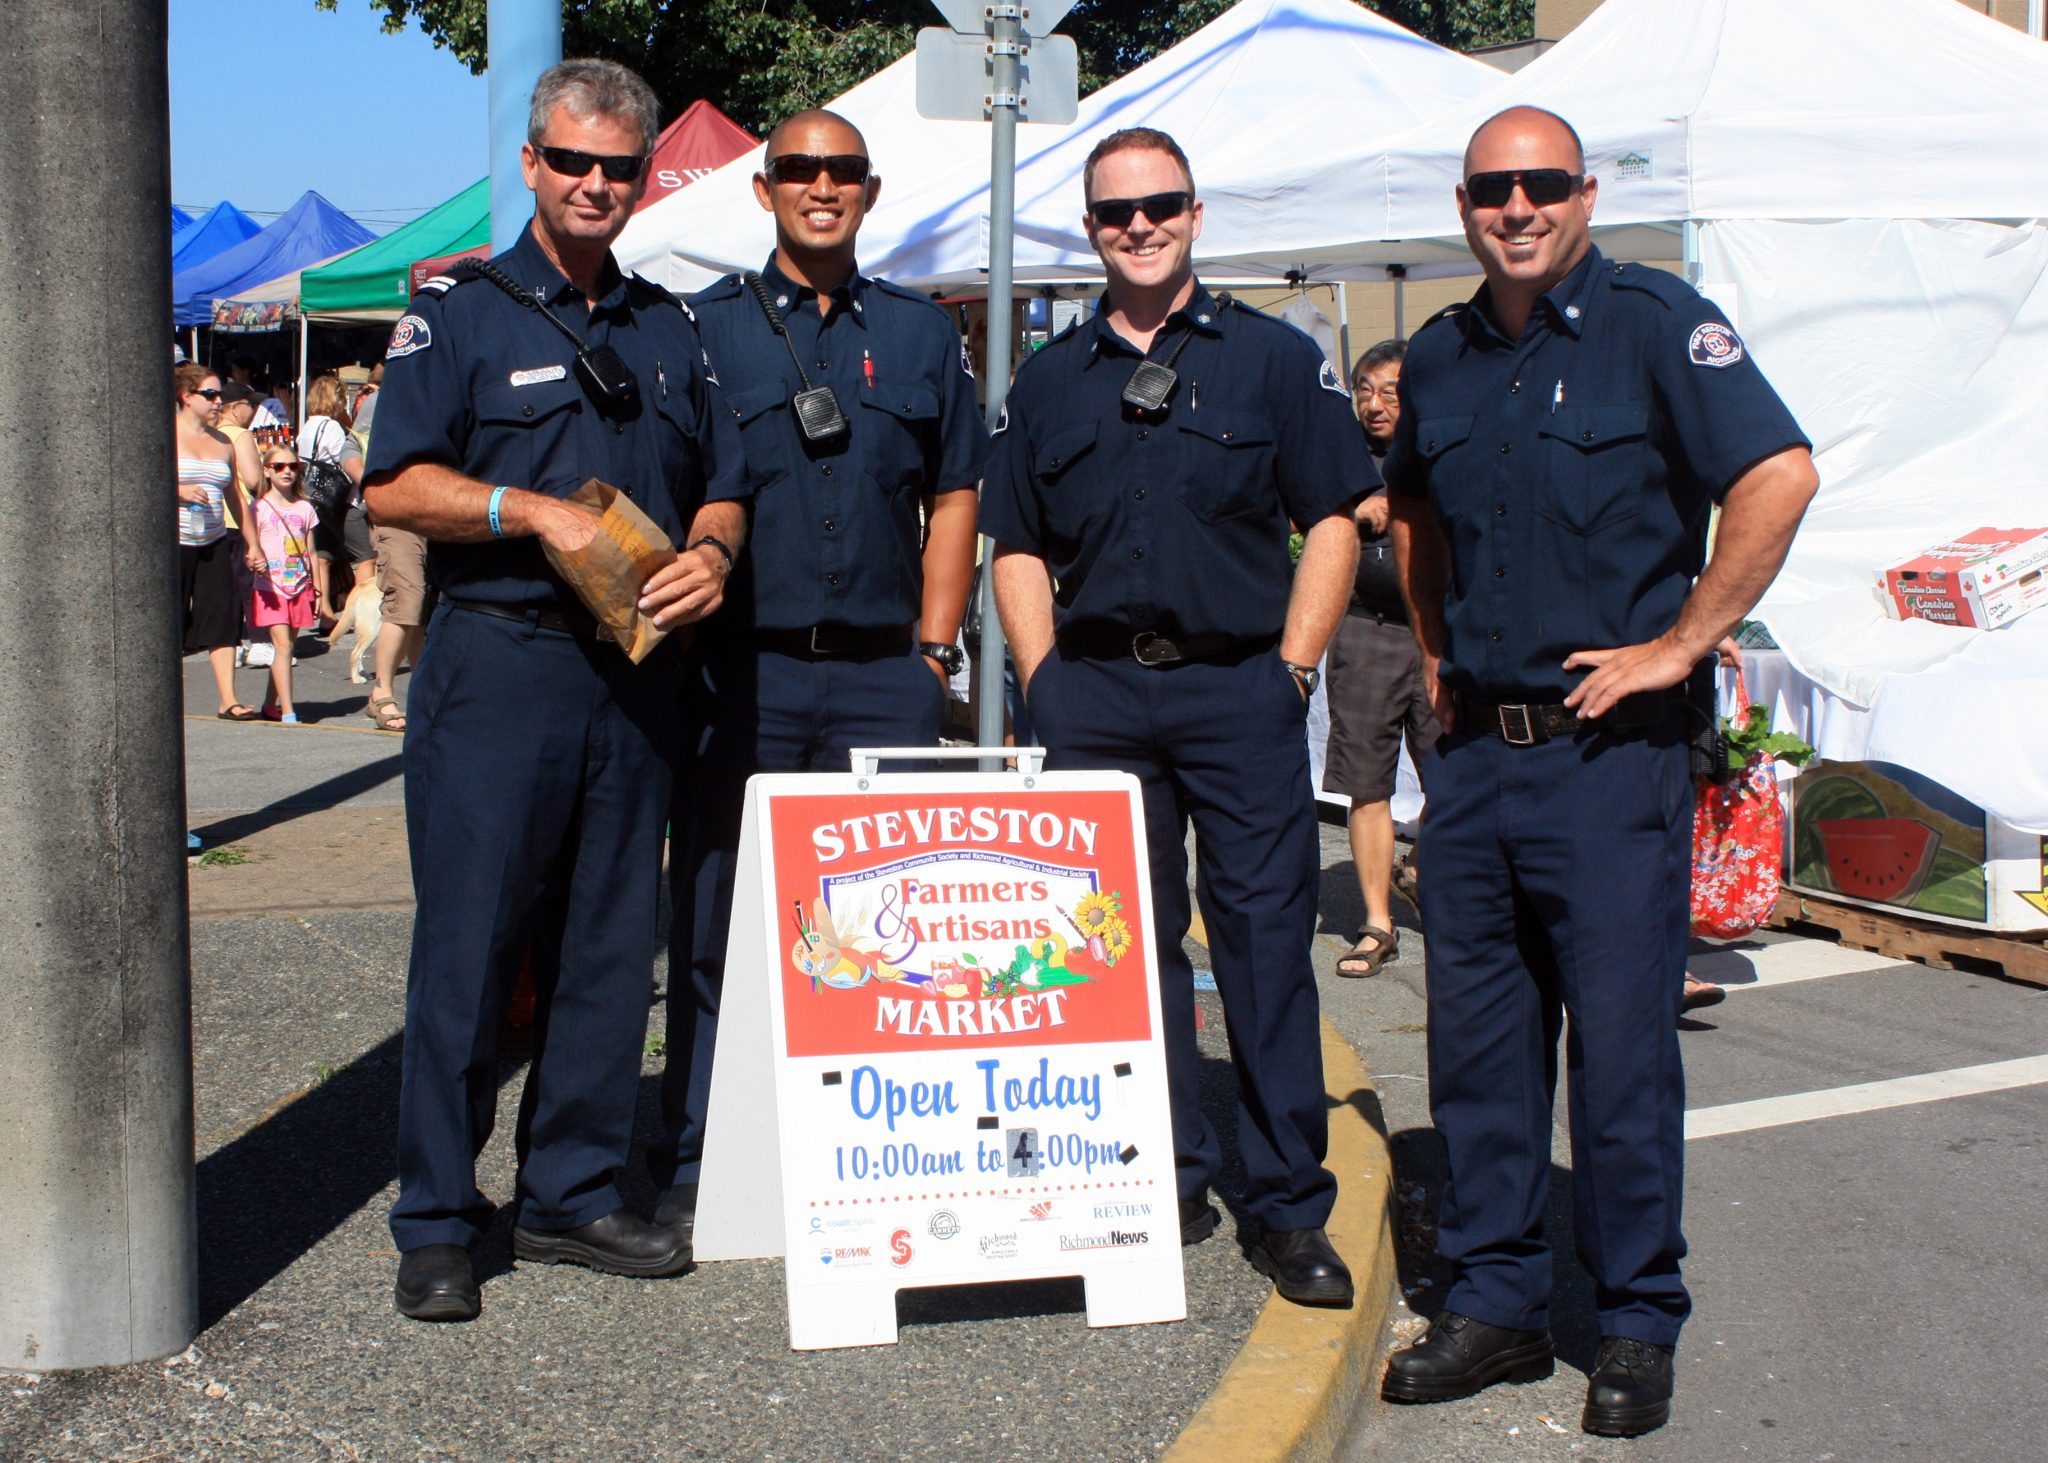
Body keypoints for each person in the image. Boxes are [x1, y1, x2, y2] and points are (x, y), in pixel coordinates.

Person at [1375, 107, 1817, 1436]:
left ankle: (1632, 1318)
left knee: (1621, 1057)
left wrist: (1686, 641)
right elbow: (1415, 515)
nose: (1518, 206)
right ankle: (1500, 1301)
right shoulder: (1444, 355)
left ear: (1584, 193)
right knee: (1481, 1053)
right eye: (1493, 188)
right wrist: (1442, 655)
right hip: (1478, 762)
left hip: (1609, 758)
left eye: (1543, 184)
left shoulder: (1654, 324)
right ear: (1464, 202)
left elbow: (1779, 476)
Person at [362, 56, 747, 1324]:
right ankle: (436, 1213)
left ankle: (573, 1188)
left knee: (602, 945)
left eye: (618, 168)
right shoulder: (457, 314)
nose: (594, 185)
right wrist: (521, 509)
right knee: (469, 949)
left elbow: (723, 481)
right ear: (530, 163)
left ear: (644, 176)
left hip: (634, 673)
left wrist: (711, 553)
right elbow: (392, 487)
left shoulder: (668, 325)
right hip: (501, 667)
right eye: (571, 161)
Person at [980, 127, 1365, 1308]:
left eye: (1158, 206)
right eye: (1112, 212)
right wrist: (1043, 681)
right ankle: (1157, 1174)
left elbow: (1336, 518)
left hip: (1237, 688)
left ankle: (1283, 1200)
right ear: (1088, 228)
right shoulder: (1046, 381)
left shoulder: (1269, 360)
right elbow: (1019, 542)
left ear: (1194, 214)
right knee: (1118, 951)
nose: (1136, 226)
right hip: (1092, 693)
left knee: (1260, 945)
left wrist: (1291, 669)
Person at [649, 107, 986, 1238]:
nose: (821, 186)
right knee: (714, 918)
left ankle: (863, 1149)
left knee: (878, 930)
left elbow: (954, 494)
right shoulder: (701, 330)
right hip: (740, 676)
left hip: (884, 672)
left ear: (869, 190)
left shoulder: (924, 333)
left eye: (842, 171)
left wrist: (935, 650)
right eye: (799, 169)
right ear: (765, 189)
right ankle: (699, 1143)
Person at [1323, 338, 1439, 978]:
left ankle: (1425, 872)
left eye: (1390, 391)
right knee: (1367, 783)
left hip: (1438, 634)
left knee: (1452, 774)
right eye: (1364, 390)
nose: (1375, 404)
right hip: (1366, 630)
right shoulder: (1343, 459)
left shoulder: (1440, 451)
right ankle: (1376, 922)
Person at [174, 363, 258, 720]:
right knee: (169, 620)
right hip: (173, 542)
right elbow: (141, 483)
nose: (216, 401)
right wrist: (179, 490)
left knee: (223, 618)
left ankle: (228, 699)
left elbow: (235, 497)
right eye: (209, 394)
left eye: (218, 395)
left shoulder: (224, 441)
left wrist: (253, 543)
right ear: (186, 396)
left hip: (214, 539)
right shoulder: (166, 433)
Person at [245, 448, 321, 722]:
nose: (286, 471)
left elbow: (312, 553)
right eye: (278, 466)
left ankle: (269, 703)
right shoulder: (258, 508)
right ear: (266, 471)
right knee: (284, 648)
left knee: (286, 646)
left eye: (292, 466)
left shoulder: (305, 507)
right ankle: (288, 710)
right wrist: (253, 560)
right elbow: (250, 548)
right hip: (270, 589)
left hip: (300, 586)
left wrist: (319, 591)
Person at [299, 373, 372, 623]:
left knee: (322, 555)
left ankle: (326, 610)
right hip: (331, 498)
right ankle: (348, 613)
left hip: (312, 497)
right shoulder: (331, 427)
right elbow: (344, 459)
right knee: (351, 557)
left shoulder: (308, 425)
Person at [215, 380, 271, 669]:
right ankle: (260, 641)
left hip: (213, 521)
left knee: (226, 586)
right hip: (239, 518)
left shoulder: (209, 434)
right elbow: (251, 479)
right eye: (251, 404)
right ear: (235, 408)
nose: (255, 409)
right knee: (251, 582)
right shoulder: (240, 435)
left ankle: (231, 644)